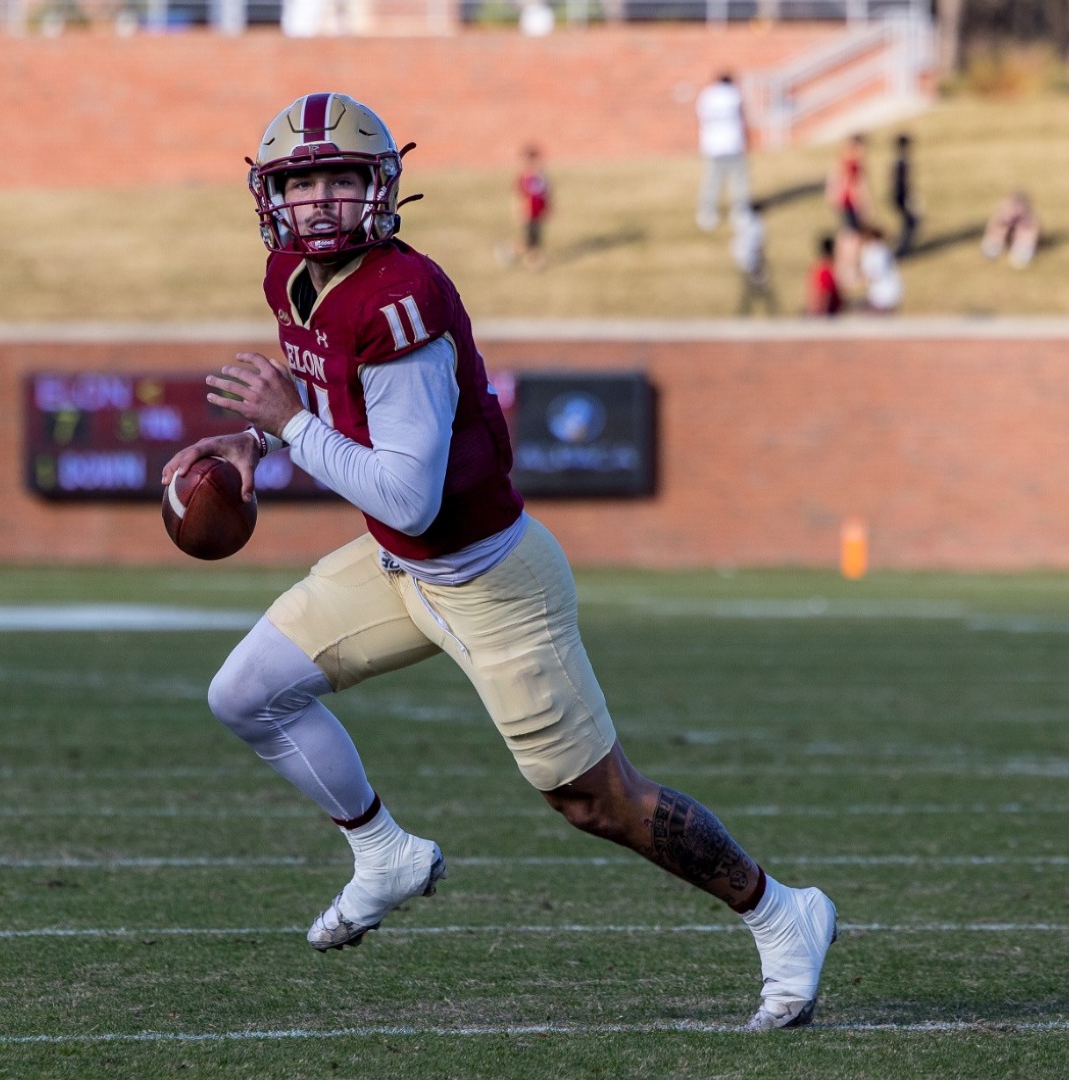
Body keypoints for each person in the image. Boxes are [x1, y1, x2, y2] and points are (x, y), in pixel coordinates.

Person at [163, 92, 839, 1033]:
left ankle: (779, 912)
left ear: (378, 186)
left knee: (598, 803)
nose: (318, 201)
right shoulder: (292, 275)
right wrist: (260, 441)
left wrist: (289, 424)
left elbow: (408, 494)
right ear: (271, 196)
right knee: (245, 695)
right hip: (401, 568)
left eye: (339, 179)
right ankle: (383, 852)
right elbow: (340, 413)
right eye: (300, 183)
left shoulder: (400, 301)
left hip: (489, 578)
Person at [694, 72, 752, 232]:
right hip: (733, 143)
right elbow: (742, 116)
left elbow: (701, 116)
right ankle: (740, 212)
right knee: (739, 181)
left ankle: (707, 213)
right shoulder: (733, 94)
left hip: (713, 144)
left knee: (712, 181)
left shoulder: (707, 95)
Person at [824, 133, 871, 287]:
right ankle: (850, 273)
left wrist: (832, 196)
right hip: (850, 203)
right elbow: (856, 185)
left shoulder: (843, 157)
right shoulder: (854, 162)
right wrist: (864, 206)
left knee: (845, 236)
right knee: (853, 238)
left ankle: (841, 270)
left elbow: (834, 178)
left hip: (842, 202)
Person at [729, 199, 776, 316]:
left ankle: (745, 311)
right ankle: (770, 312)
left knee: (748, 287)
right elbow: (758, 245)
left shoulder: (742, 220)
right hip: (752, 259)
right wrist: (762, 261)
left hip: (739, 257)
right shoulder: (758, 225)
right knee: (760, 287)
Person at [507, 144, 550, 271]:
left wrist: (547, 208)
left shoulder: (541, 176)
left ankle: (530, 262)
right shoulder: (523, 177)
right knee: (528, 241)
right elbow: (518, 196)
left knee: (535, 241)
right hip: (528, 213)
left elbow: (545, 194)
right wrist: (518, 211)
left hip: (538, 213)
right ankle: (510, 251)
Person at [980, 191, 1041, 269]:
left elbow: (1034, 232)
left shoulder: (1029, 222)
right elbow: (992, 226)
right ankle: (997, 245)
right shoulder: (1001, 217)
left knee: (1025, 232)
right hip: (1001, 236)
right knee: (998, 229)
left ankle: (1020, 247)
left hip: (1023, 240)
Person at [857, 224, 902, 314]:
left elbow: (874, 273)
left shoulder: (874, 252)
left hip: (882, 294)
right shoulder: (883, 249)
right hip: (888, 293)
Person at [889, 132, 919, 256]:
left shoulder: (896, 160)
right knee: (911, 221)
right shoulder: (903, 161)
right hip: (902, 194)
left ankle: (903, 245)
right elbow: (904, 181)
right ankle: (903, 247)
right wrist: (910, 196)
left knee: (908, 221)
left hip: (898, 194)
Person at [805, 233, 842, 317]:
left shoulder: (817, 267)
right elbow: (824, 295)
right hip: (825, 316)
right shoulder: (825, 270)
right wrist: (822, 317)